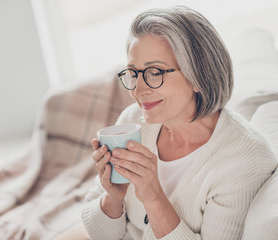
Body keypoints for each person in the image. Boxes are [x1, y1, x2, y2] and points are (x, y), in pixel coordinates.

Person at [54, 5, 277, 240]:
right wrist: (113, 197)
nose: (138, 91)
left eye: (155, 72)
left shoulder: (245, 162)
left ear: (198, 76)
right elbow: (100, 234)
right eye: (133, 73)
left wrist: (153, 197)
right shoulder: (133, 121)